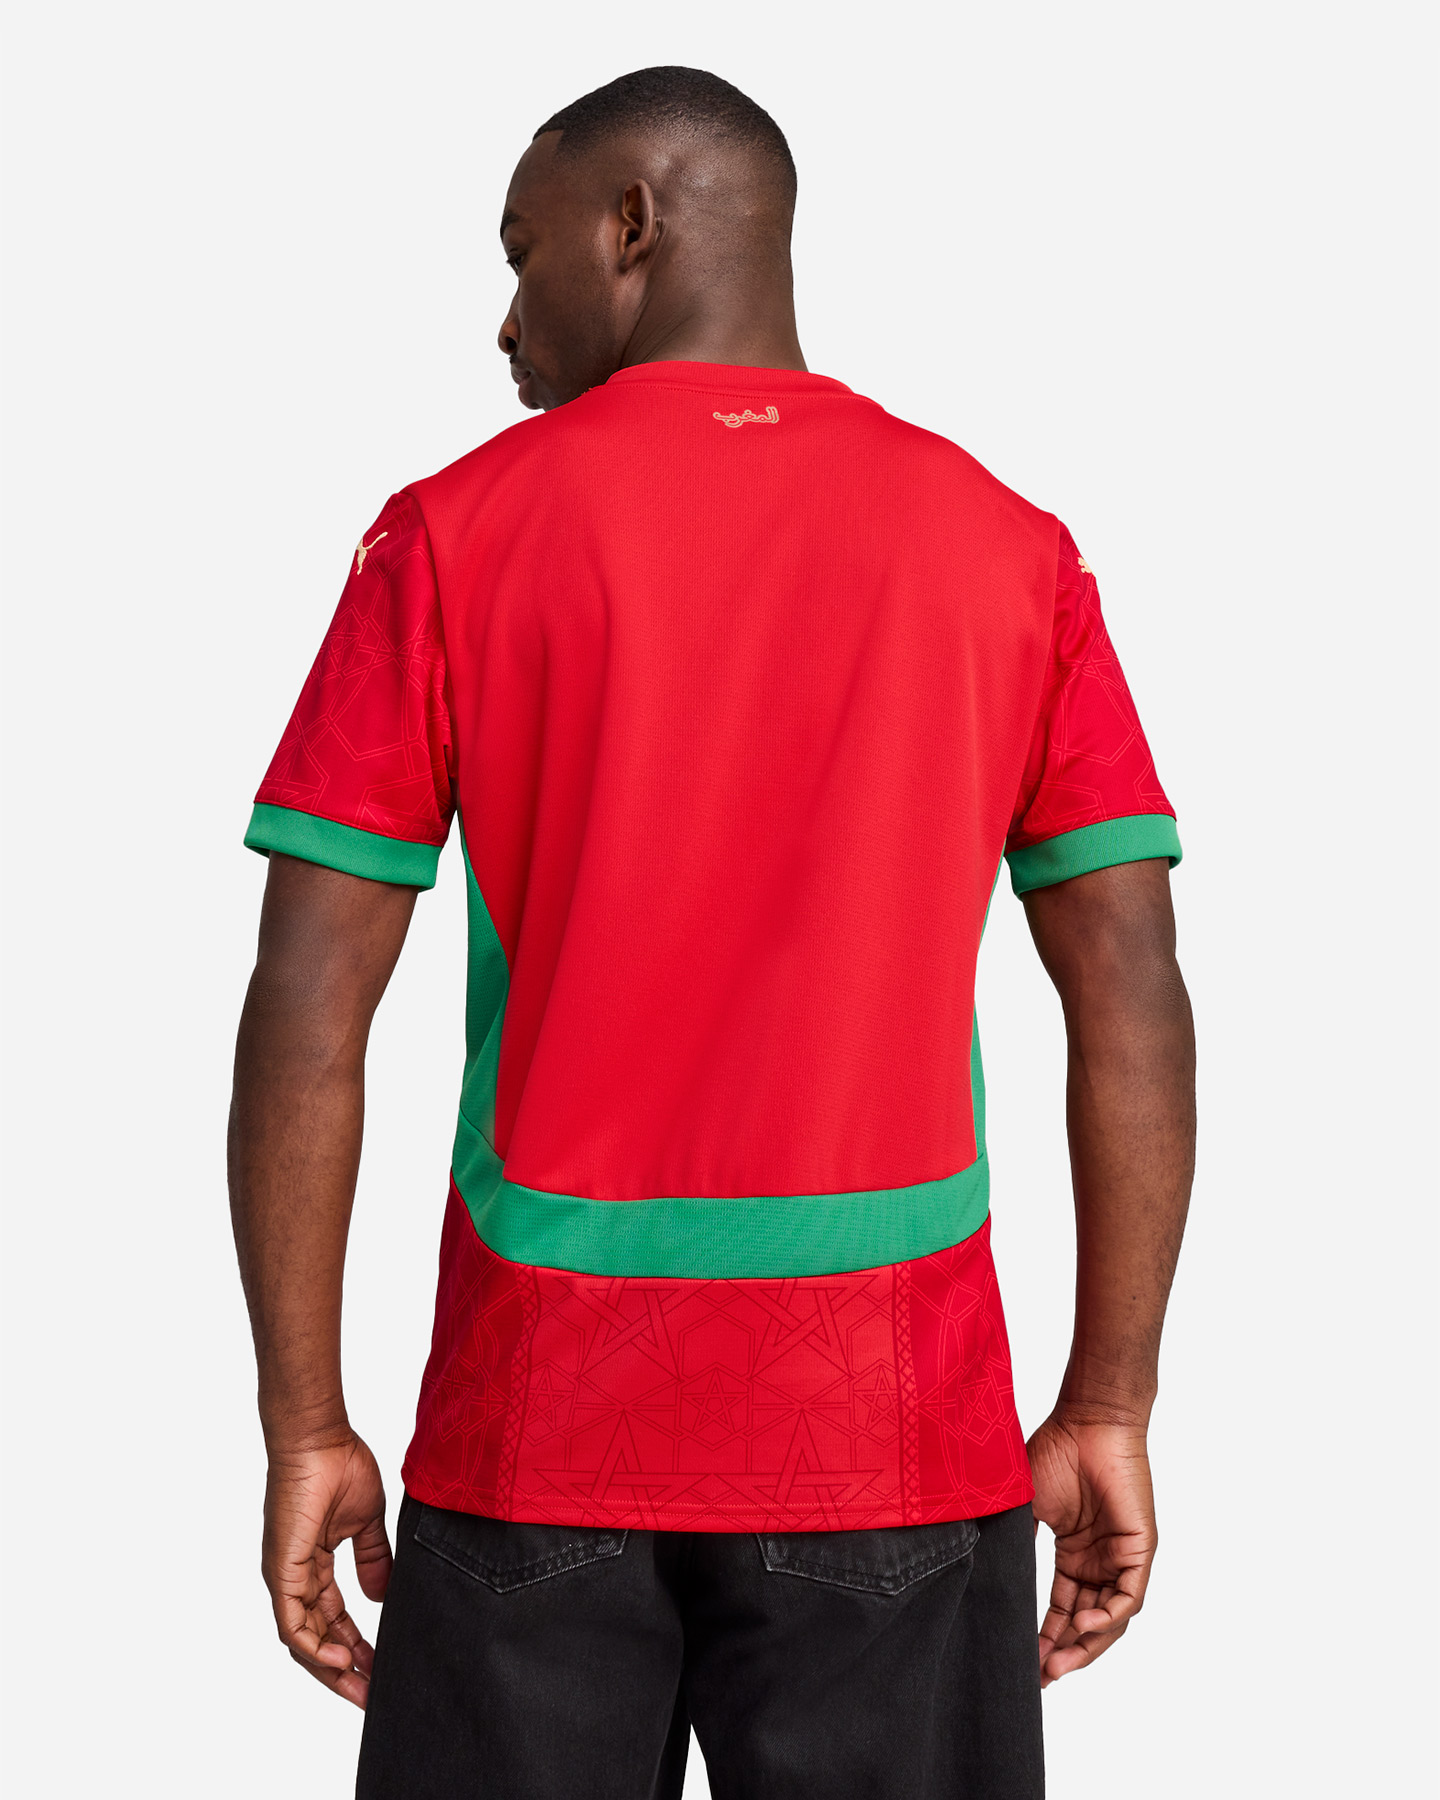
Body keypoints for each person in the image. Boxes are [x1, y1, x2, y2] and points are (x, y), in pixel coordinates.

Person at [229, 65, 1195, 1800]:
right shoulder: (1007, 549)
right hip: (894, 1432)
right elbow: (1126, 980)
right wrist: (1110, 1398)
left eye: (519, 254)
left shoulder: (449, 536)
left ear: (633, 227)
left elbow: (308, 1001)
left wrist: (306, 1425)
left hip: (534, 1432)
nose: (502, 319)